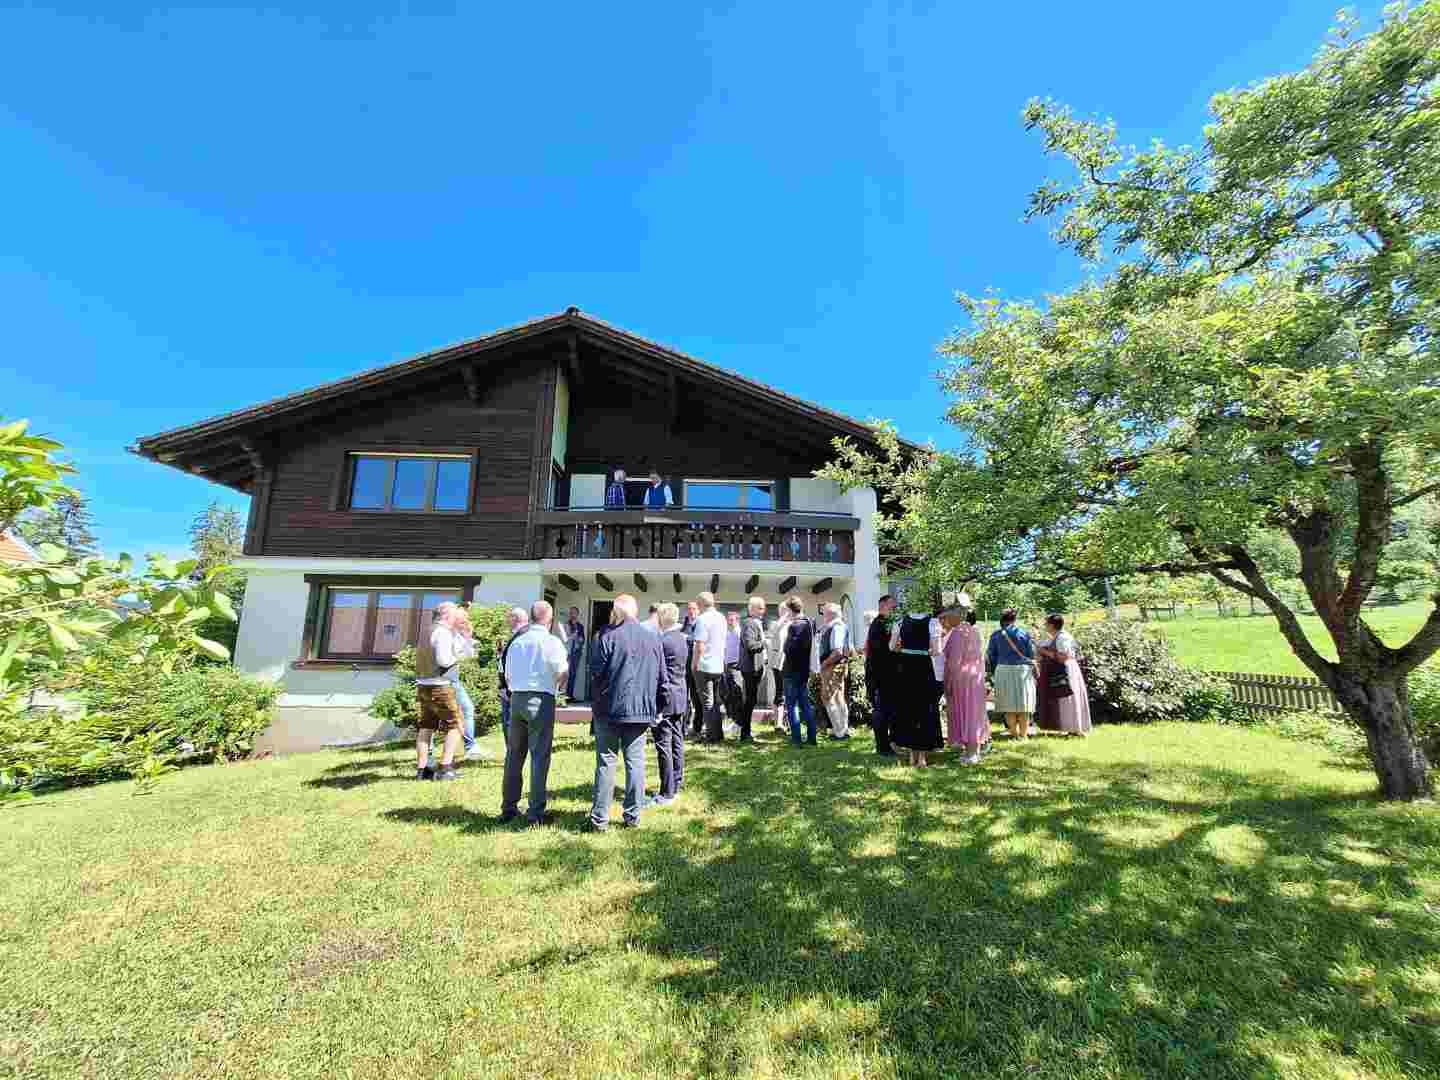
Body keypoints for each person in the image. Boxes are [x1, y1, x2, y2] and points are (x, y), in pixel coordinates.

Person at [588, 594, 664, 831]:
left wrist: (597, 703)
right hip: (639, 710)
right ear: (635, 611)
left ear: (616, 612)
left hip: (609, 709)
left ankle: (600, 819)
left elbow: (595, 673)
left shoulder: (607, 636)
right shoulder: (652, 638)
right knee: (635, 763)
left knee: (606, 762)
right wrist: (657, 707)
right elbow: (662, 679)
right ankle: (632, 816)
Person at [501, 601, 568, 825]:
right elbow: (562, 672)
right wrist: (557, 687)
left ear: (531, 617)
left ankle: (508, 808)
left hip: (517, 698)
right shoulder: (552, 642)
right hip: (541, 698)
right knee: (539, 756)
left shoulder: (517, 642)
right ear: (549, 619)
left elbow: (507, 675)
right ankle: (535, 812)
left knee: (514, 755)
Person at [414, 602, 468, 780]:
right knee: (456, 725)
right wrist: (458, 656)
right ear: (446, 615)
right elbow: (444, 660)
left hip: (423, 685)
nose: (456, 617)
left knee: (426, 726)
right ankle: (445, 768)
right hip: (440, 685)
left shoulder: (427, 631)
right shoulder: (443, 632)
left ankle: (422, 771)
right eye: (454, 614)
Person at [890, 604, 944, 767]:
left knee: (908, 709)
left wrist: (905, 648)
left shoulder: (900, 622)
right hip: (923, 668)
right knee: (924, 709)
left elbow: (892, 647)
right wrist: (924, 650)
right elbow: (937, 650)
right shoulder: (933, 622)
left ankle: (912, 756)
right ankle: (921, 758)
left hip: (905, 669)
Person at [944, 607, 989, 763]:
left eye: (949, 616)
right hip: (976, 675)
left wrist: (948, 681)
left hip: (962, 678)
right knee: (974, 712)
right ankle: (973, 751)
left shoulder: (958, 632)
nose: (947, 620)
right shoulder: (974, 631)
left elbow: (954, 661)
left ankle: (971, 752)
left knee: (966, 712)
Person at [654, 602, 688, 802]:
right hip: (680, 694)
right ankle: (676, 782)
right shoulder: (681, 638)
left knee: (664, 744)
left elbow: (658, 673)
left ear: (661, 618)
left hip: (666, 698)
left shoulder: (663, 640)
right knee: (677, 740)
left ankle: (667, 792)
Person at [1036, 614, 1092, 736]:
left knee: (1068, 698)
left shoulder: (1062, 638)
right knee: (1065, 699)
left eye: (1046, 624)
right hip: (1064, 669)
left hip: (1066, 669)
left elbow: (1063, 657)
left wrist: (1044, 651)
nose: (1045, 626)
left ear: (1052, 625)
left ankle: (1075, 729)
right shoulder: (1058, 636)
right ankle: (1071, 728)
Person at [437, 602, 480, 759]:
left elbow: (469, 655)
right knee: (441, 716)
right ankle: (469, 747)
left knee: (465, 709)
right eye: (463, 620)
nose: (465, 623)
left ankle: (470, 746)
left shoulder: (456, 635)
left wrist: (468, 638)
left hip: (452, 679)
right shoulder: (445, 633)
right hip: (443, 679)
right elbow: (447, 659)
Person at [986, 608, 1037, 740]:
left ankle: (1014, 734)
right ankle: (1023, 735)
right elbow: (1031, 654)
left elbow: (991, 655)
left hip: (1003, 670)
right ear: (1014, 619)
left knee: (1009, 705)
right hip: (1022, 670)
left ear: (1001, 619)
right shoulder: (1023, 633)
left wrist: (994, 670)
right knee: (1023, 704)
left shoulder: (996, 635)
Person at [691, 591, 729, 743]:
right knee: (716, 703)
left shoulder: (702, 619)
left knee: (707, 702)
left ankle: (711, 737)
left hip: (704, 665)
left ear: (700, 604)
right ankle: (718, 734)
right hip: (718, 664)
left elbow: (699, 645)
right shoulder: (721, 617)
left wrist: (694, 664)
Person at [781, 595, 818, 746]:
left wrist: (785, 643)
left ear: (790, 610)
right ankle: (811, 737)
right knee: (805, 704)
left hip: (791, 670)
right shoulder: (809, 623)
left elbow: (788, 649)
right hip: (803, 670)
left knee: (792, 705)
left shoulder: (795, 626)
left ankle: (796, 738)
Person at [864, 595, 898, 757]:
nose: (895, 608)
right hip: (879, 676)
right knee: (882, 711)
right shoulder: (879, 624)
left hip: (885, 675)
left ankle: (888, 744)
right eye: (892, 605)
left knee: (887, 711)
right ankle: (883, 747)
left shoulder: (885, 622)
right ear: (883, 605)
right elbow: (881, 652)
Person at [737, 597, 768, 744]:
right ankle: (745, 733)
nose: (763, 610)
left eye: (763, 607)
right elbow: (750, 645)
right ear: (752, 609)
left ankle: (746, 731)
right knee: (750, 700)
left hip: (756, 667)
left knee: (751, 700)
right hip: (750, 668)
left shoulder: (756, 622)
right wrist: (764, 643)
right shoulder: (749, 623)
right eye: (760, 608)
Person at [497, 606, 529, 745]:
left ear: (515, 618)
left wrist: (506, 687)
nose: (507, 620)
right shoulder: (517, 635)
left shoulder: (522, 636)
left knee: (511, 723)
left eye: (509, 617)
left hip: (512, 689)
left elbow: (516, 665)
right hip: (511, 687)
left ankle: (512, 751)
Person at [681, 600, 704, 736]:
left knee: (697, 697)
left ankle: (697, 727)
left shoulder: (701, 623)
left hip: (696, 665)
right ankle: (683, 727)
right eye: (689, 609)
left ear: (698, 610)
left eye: (694, 609)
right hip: (684, 666)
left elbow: (700, 641)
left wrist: (687, 638)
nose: (691, 611)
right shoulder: (683, 624)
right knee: (684, 698)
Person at [769, 606, 791, 732]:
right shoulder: (775, 624)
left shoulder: (792, 624)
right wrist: (783, 617)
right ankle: (777, 722)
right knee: (779, 691)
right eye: (784, 611)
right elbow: (774, 630)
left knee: (786, 692)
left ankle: (781, 721)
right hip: (778, 663)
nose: (787, 613)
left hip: (788, 663)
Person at [723, 611, 745, 729]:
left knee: (737, 693)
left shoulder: (739, 633)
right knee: (728, 694)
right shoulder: (726, 633)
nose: (730, 622)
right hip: (726, 666)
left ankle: (739, 722)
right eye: (729, 619)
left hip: (736, 666)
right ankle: (731, 718)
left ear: (737, 620)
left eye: (732, 620)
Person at [564, 606, 586, 701]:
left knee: (573, 674)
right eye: (571, 612)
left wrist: (580, 640)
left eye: (574, 613)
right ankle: (562, 696)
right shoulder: (566, 625)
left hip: (576, 653)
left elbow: (582, 639)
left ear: (577, 614)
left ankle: (569, 696)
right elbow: (565, 638)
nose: (572, 614)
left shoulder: (580, 626)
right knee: (565, 674)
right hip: (568, 652)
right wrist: (572, 636)